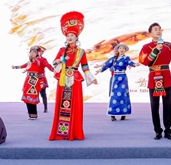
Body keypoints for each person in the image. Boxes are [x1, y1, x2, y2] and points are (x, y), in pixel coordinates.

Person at [49, 11, 98, 141]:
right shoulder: (61, 50)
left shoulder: (81, 52)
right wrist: (60, 60)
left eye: (72, 35)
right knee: (62, 105)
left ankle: (74, 132)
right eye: (68, 35)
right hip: (63, 79)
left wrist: (91, 78)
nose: (69, 37)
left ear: (77, 37)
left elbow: (85, 67)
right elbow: (54, 63)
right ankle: (62, 132)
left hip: (75, 80)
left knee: (75, 106)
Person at [96, 43, 137, 121]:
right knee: (114, 95)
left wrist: (134, 64)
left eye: (123, 48)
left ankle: (124, 113)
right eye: (120, 48)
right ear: (117, 50)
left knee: (123, 95)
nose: (121, 50)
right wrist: (100, 70)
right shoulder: (113, 59)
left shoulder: (126, 58)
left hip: (123, 78)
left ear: (125, 50)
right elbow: (107, 65)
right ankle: (113, 113)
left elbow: (130, 62)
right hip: (115, 78)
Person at [12, 47, 45, 120]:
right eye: (31, 52)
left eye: (34, 52)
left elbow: (35, 62)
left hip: (34, 81)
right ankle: (30, 114)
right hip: (28, 80)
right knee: (27, 96)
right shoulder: (29, 62)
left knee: (32, 96)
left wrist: (31, 58)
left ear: (37, 54)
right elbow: (22, 66)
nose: (32, 53)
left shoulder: (37, 61)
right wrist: (15, 67)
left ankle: (34, 114)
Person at [35, 46, 54, 113]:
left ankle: (45, 108)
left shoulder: (43, 60)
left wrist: (53, 69)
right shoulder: (33, 59)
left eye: (42, 52)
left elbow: (47, 65)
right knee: (33, 94)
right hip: (34, 79)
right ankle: (32, 109)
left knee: (43, 94)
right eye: (40, 51)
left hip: (41, 79)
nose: (41, 53)